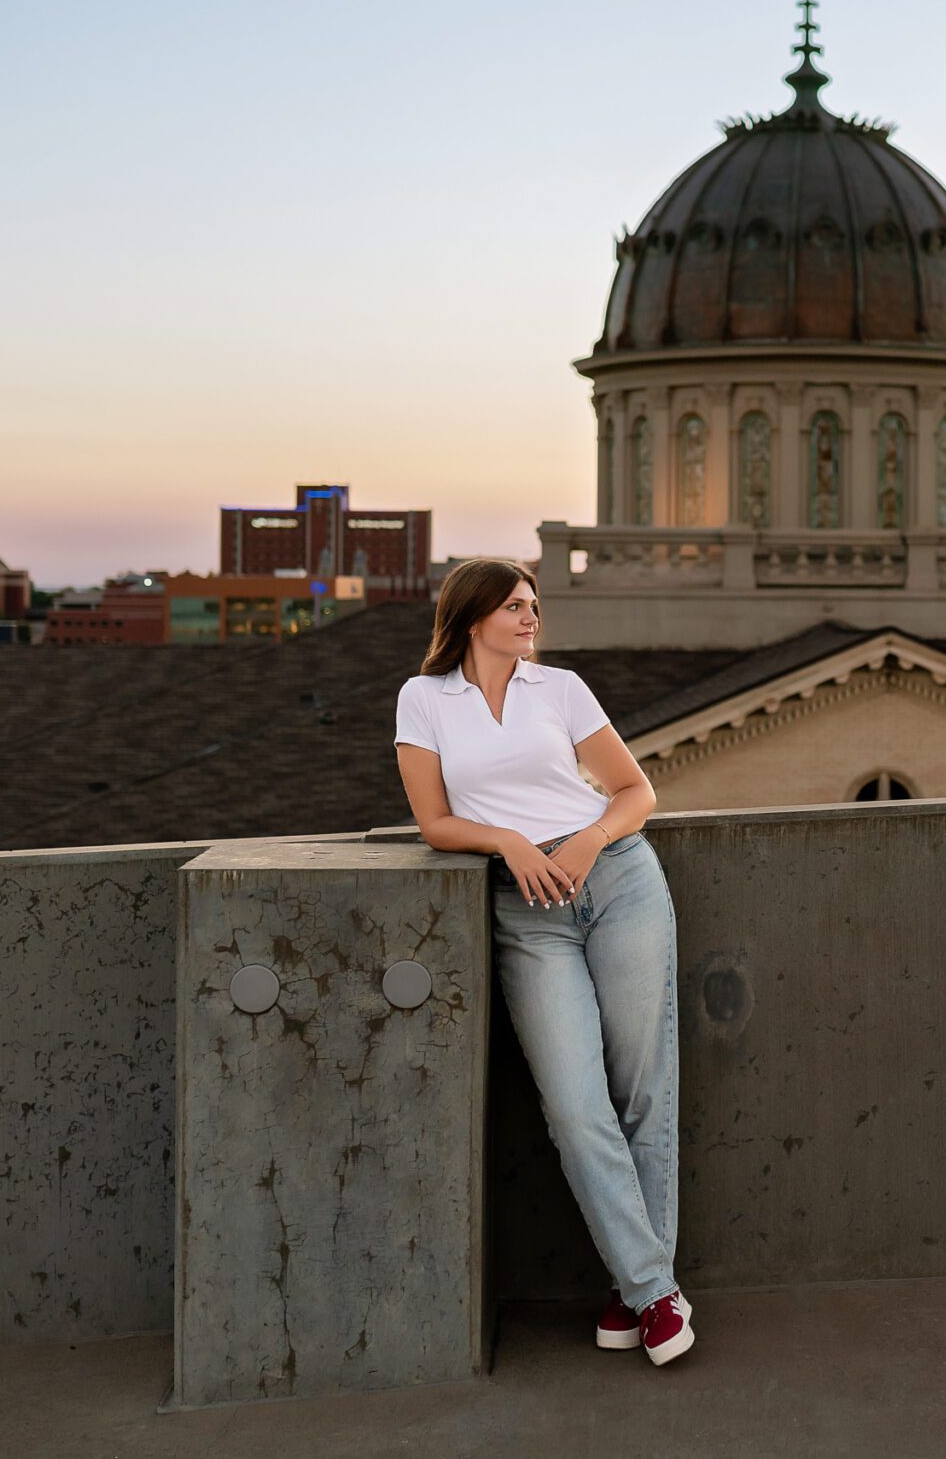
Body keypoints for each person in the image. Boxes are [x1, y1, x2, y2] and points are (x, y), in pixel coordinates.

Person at [392, 558, 695, 1366]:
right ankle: (652, 1286)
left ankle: (642, 1291)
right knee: (573, 1102)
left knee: (641, 1089)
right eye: (514, 606)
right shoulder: (425, 701)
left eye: (534, 605)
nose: (530, 618)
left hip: (620, 881)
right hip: (530, 910)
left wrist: (592, 838)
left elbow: (637, 793)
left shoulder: (559, 689)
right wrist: (506, 839)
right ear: (472, 615)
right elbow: (434, 822)